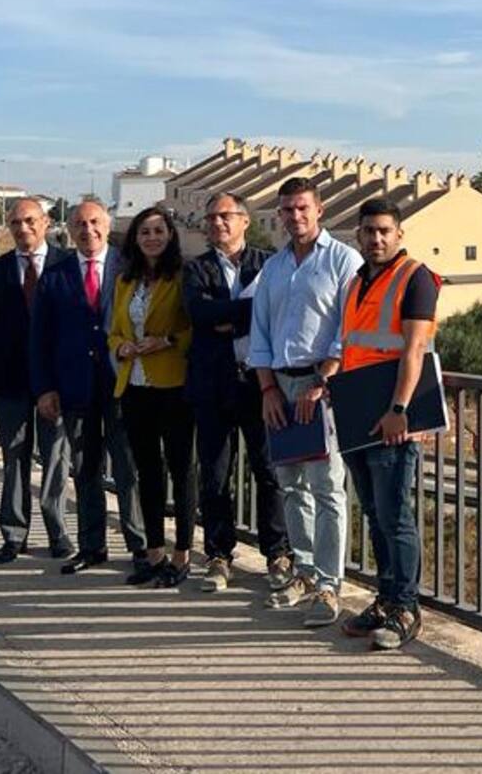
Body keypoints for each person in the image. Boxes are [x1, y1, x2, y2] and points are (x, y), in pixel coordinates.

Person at [249, 177, 362, 627]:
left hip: (322, 386)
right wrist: (267, 388)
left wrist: (324, 379)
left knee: (327, 488)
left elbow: (348, 327)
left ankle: (330, 586)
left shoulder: (341, 260)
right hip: (281, 385)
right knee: (290, 484)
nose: (294, 217)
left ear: (319, 210)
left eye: (302, 208)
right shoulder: (274, 269)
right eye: (287, 210)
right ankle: (304, 570)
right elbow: (260, 332)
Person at [338, 198, 441, 651]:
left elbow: (414, 350)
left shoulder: (415, 278)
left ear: (399, 233)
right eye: (368, 232)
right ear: (358, 236)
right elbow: (354, 346)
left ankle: (405, 608)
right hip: (358, 411)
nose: (376, 239)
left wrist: (401, 409)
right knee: (376, 514)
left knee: (395, 515)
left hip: (393, 415)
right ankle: (385, 599)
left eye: (384, 231)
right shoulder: (358, 280)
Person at [31, 200, 147, 576]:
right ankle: (92, 546)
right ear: (68, 229)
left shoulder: (130, 267)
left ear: (108, 224)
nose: (88, 230)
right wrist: (46, 388)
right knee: (85, 469)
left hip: (124, 384)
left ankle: (141, 546)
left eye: (95, 222)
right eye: (79, 224)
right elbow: (40, 337)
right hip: (75, 387)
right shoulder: (56, 273)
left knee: (129, 469)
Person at [183, 192, 291, 593]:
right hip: (212, 386)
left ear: (245, 220)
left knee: (269, 472)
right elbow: (199, 314)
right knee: (214, 476)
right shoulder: (195, 269)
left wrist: (229, 320)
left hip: (261, 386)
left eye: (225, 216)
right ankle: (218, 554)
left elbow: (276, 311)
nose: (217, 224)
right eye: (210, 218)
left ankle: (278, 553)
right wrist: (243, 316)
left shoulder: (268, 264)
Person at [0, 197, 74, 564]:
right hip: (9, 380)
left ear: (46, 222)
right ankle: (13, 535)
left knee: (55, 458)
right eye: (16, 223)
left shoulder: (67, 265)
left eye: (30, 221)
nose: (23, 229)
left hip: (56, 381)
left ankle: (58, 533)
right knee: (13, 457)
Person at [108, 206, 195, 588]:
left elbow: (195, 327)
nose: (152, 237)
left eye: (159, 230)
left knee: (180, 469)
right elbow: (113, 330)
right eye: (145, 231)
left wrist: (168, 341)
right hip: (135, 385)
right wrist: (121, 348)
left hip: (172, 385)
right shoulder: (126, 280)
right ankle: (154, 552)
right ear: (135, 238)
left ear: (170, 235)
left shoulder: (182, 276)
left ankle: (183, 554)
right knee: (147, 471)